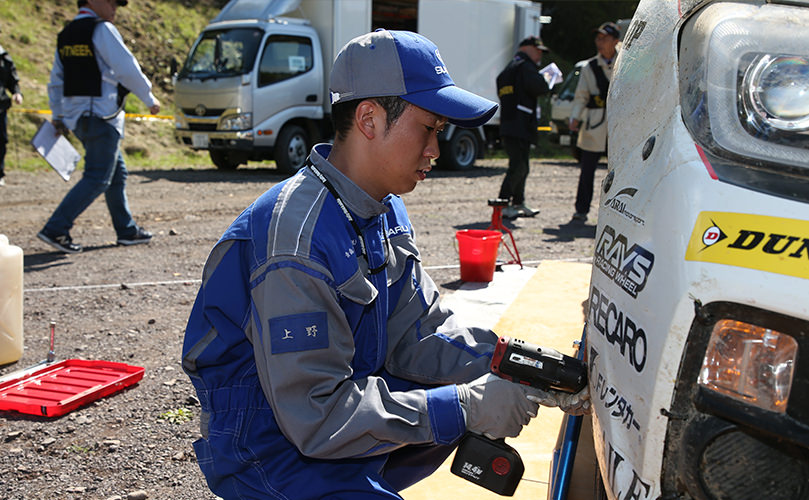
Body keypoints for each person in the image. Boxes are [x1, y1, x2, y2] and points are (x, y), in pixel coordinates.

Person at [182, 29, 590, 500]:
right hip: (269, 447)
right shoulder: (296, 240)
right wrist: (465, 406)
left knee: (450, 399)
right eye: (429, 128)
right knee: (449, 410)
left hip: (330, 408)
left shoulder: (382, 207)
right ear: (369, 119)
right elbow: (317, 416)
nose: (436, 149)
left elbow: (418, 332)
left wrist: (515, 365)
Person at [37, 0, 160, 254]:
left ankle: (126, 230)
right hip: (102, 117)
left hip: (79, 118)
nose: (116, 7)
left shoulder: (66, 34)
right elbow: (126, 67)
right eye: (112, 2)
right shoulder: (101, 29)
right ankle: (56, 228)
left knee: (117, 173)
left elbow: (56, 81)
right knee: (97, 177)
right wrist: (149, 98)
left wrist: (59, 116)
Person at [569, 22, 621, 222]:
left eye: (604, 38)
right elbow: (581, 95)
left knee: (620, 172)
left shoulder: (627, 61)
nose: (600, 42)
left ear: (615, 41)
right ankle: (581, 209)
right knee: (587, 170)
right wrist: (575, 117)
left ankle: (618, 212)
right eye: (598, 38)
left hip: (619, 124)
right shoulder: (589, 67)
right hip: (595, 123)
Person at [496, 36, 552, 219]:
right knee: (518, 166)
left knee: (522, 166)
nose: (539, 55)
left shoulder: (510, 68)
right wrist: (547, 78)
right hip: (520, 124)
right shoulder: (525, 66)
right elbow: (540, 87)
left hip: (509, 122)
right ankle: (503, 204)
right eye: (538, 51)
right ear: (527, 48)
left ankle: (518, 202)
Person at [0, 24, 23, 188]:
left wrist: (16, 93)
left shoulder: (4, 57)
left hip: (1, 107)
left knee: (1, 141)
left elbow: (12, 80)